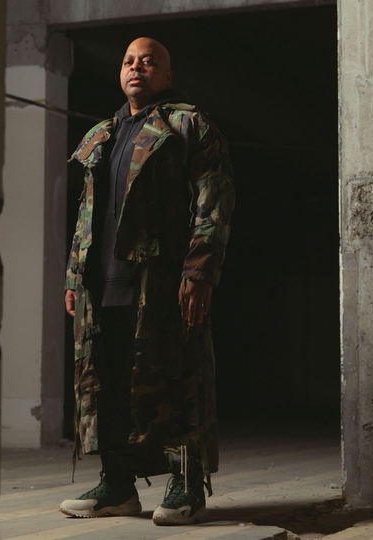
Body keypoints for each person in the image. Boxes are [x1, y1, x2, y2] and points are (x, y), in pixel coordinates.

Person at [57, 37, 234, 526]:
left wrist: (199, 270)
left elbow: (213, 203)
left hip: (160, 281)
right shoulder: (101, 134)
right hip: (102, 284)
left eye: (148, 61)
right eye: (129, 61)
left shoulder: (186, 126)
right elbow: (86, 214)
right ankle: (117, 485)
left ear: (166, 75)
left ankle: (186, 486)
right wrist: (74, 274)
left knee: (177, 377)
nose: (137, 67)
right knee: (108, 384)